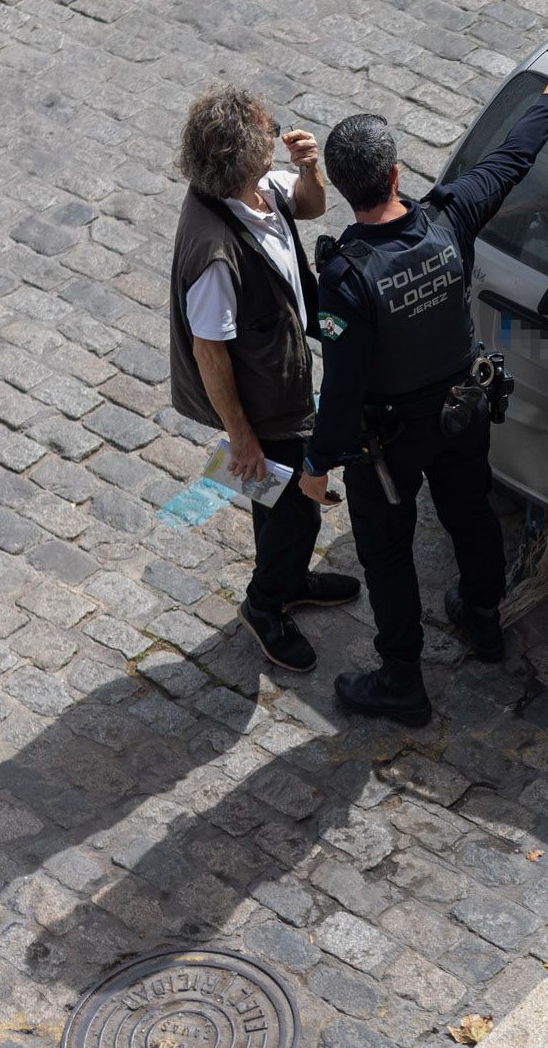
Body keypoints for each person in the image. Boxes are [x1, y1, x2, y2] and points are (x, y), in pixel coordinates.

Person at [299, 36, 548, 724]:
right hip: (461, 412)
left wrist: (317, 465)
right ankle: (483, 614)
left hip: (388, 441)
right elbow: (513, 157)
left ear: (347, 191)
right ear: (397, 174)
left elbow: (341, 388)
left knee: (387, 552)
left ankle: (402, 678)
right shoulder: (450, 216)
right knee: (468, 511)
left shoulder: (346, 280)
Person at [168, 85, 361, 673]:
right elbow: (209, 351)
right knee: (292, 504)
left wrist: (309, 169)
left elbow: (307, 205)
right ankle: (266, 602)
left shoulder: (253, 191)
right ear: (238, 157)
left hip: (279, 378)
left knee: (280, 504)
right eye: (267, 133)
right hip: (263, 403)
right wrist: (242, 437)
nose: (277, 133)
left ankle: (290, 578)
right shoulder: (216, 254)